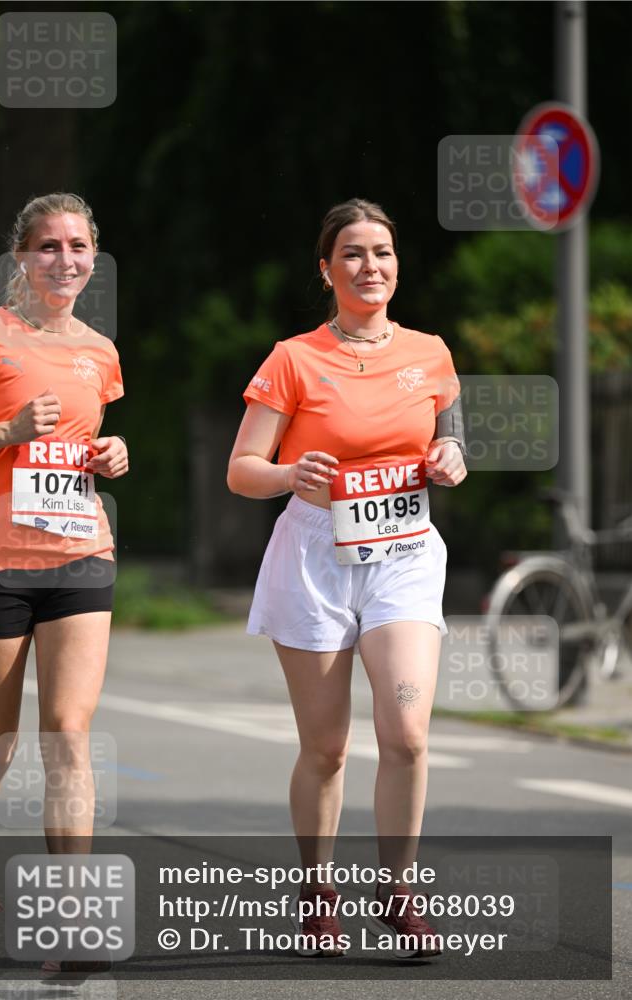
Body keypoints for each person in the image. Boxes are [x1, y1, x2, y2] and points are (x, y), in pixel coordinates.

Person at [228, 198, 467, 958]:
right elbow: (242, 471)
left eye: (384, 253)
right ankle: (317, 893)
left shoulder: (429, 352)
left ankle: (397, 895)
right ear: (326, 269)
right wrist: (289, 473)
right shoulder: (292, 358)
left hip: (401, 555)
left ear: (398, 264)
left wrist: (451, 461)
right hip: (313, 558)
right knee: (326, 747)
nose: (372, 267)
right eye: (354, 254)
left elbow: (449, 443)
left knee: (406, 733)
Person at [0, 193, 128, 966]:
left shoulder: (100, 349)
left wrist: (111, 454)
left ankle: (73, 917)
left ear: (94, 257)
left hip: (79, 554)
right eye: (47, 247)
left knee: (67, 732)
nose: (64, 260)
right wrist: (3, 431)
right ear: (19, 258)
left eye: (77, 247)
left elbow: (85, 440)